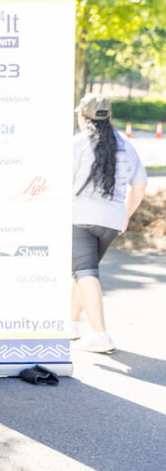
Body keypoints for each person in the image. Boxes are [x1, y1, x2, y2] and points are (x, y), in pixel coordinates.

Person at [71, 93, 146, 353]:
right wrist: (126, 215)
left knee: (85, 273)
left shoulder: (79, 143)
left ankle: (99, 334)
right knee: (82, 272)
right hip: (112, 220)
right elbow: (140, 185)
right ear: (109, 116)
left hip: (81, 217)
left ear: (83, 118)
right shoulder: (125, 143)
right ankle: (70, 323)